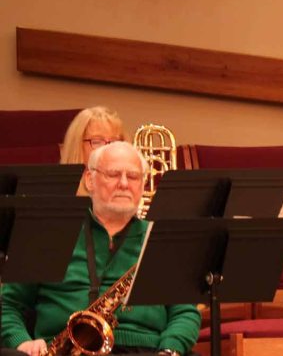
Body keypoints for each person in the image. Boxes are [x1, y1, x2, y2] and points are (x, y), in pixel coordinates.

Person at [1, 141, 200, 356]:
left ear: (143, 184)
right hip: (63, 350)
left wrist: (170, 350)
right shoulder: (50, 234)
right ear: (90, 180)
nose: (124, 183)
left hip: (147, 350)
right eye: (113, 174)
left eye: (133, 176)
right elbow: (9, 305)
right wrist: (22, 342)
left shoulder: (160, 239)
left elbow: (185, 313)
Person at [60, 106, 127, 196]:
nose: (106, 149)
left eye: (114, 142)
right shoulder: (59, 195)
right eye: (97, 142)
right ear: (77, 146)